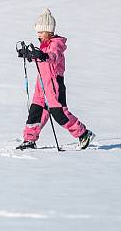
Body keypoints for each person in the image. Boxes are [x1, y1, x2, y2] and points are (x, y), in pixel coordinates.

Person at [18, 8, 94, 150]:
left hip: (54, 86)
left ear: (49, 31)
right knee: (35, 112)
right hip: (41, 86)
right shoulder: (43, 46)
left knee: (59, 113)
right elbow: (40, 57)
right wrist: (28, 55)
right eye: (37, 32)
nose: (38, 35)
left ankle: (83, 133)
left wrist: (43, 56)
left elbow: (54, 56)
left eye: (41, 32)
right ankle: (29, 139)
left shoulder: (56, 44)